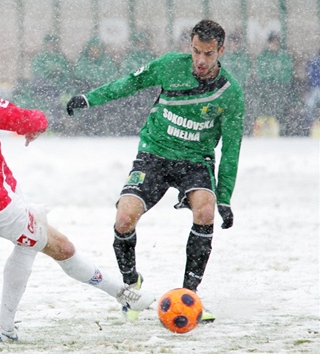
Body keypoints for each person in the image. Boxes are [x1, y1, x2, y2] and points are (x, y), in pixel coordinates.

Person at [0, 32, 155, 342]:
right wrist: (38, 121)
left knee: (36, 245)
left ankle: (7, 326)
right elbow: (24, 119)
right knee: (59, 246)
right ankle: (122, 295)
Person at [66, 19, 245, 323]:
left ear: (221, 51)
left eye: (209, 54)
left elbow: (231, 148)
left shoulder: (230, 93)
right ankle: (131, 286)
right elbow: (129, 83)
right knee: (124, 218)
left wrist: (224, 196)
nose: (200, 61)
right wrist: (90, 98)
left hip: (195, 160)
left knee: (206, 211)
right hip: (155, 154)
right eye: (196, 51)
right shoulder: (168, 66)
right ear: (190, 46)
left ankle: (190, 297)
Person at [72, 36, 119, 135]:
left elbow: (112, 76)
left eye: (97, 48)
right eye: (92, 48)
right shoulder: (82, 61)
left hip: (103, 90)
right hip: (86, 89)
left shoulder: (107, 62)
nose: (94, 51)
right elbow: (79, 75)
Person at [30, 33, 72, 133]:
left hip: (58, 87)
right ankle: (52, 124)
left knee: (57, 99)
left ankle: (55, 124)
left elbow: (67, 73)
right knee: (53, 99)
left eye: (53, 44)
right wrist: (49, 72)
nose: (51, 46)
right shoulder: (40, 58)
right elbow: (37, 72)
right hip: (44, 87)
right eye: (49, 44)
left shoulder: (60, 58)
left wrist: (59, 73)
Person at [253, 32, 295, 135]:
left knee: (281, 103)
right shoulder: (263, 56)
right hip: (265, 85)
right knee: (260, 100)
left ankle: (281, 125)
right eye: (271, 42)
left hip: (281, 85)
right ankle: (263, 122)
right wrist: (270, 79)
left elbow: (287, 72)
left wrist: (277, 79)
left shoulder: (284, 56)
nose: (273, 45)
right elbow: (260, 71)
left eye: (275, 42)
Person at [302, 48, 320, 136]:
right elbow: (310, 76)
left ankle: (309, 124)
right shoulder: (314, 61)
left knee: (310, 104)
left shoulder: (313, 61)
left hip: (314, 88)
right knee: (310, 104)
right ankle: (310, 124)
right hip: (314, 88)